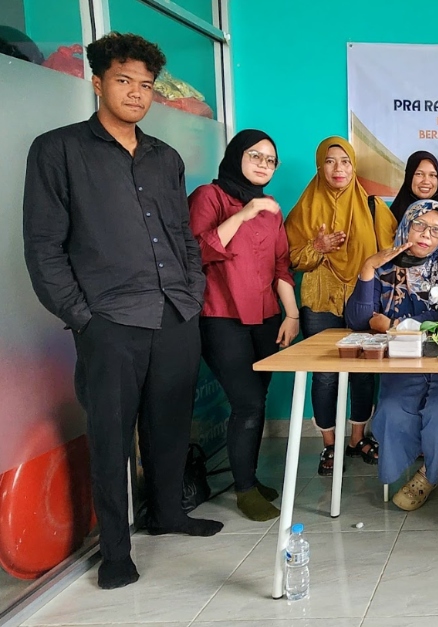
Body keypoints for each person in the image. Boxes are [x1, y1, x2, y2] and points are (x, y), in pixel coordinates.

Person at [22, 32, 223, 590]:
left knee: (170, 425)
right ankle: (115, 549)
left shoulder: (166, 158)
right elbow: (43, 246)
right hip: (110, 320)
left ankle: (167, 513)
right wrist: (83, 316)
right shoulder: (57, 150)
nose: (136, 94)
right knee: (111, 436)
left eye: (145, 85)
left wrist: (192, 295)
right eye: (124, 81)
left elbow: (183, 236)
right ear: (98, 82)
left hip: (175, 314)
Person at [188, 129, 299, 522]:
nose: (264, 165)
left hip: (266, 318)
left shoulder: (272, 207)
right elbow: (194, 252)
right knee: (247, 403)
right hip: (221, 317)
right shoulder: (209, 196)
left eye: (271, 160)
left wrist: (292, 315)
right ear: (237, 155)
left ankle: (247, 476)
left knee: (256, 402)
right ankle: (245, 490)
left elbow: (281, 265)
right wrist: (243, 214)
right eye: (256, 156)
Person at [345, 199, 438, 511]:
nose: (426, 234)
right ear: (406, 224)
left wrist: (393, 324)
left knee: (437, 411)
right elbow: (357, 320)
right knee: (391, 410)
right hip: (404, 361)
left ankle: (427, 476)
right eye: (420, 225)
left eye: (436, 230)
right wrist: (368, 268)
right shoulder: (383, 263)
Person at [284, 136, 397, 475]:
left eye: (345, 161)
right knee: (325, 373)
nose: (338, 168)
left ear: (354, 167)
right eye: (331, 161)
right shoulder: (303, 210)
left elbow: (391, 255)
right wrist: (317, 247)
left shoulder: (373, 207)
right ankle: (329, 446)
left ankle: (357, 438)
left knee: (363, 371)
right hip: (320, 298)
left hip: (362, 299)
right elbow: (290, 259)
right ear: (320, 166)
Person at [388, 151, 438, 243]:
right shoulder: (394, 213)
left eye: (432, 175)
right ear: (409, 176)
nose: (426, 181)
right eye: (419, 174)